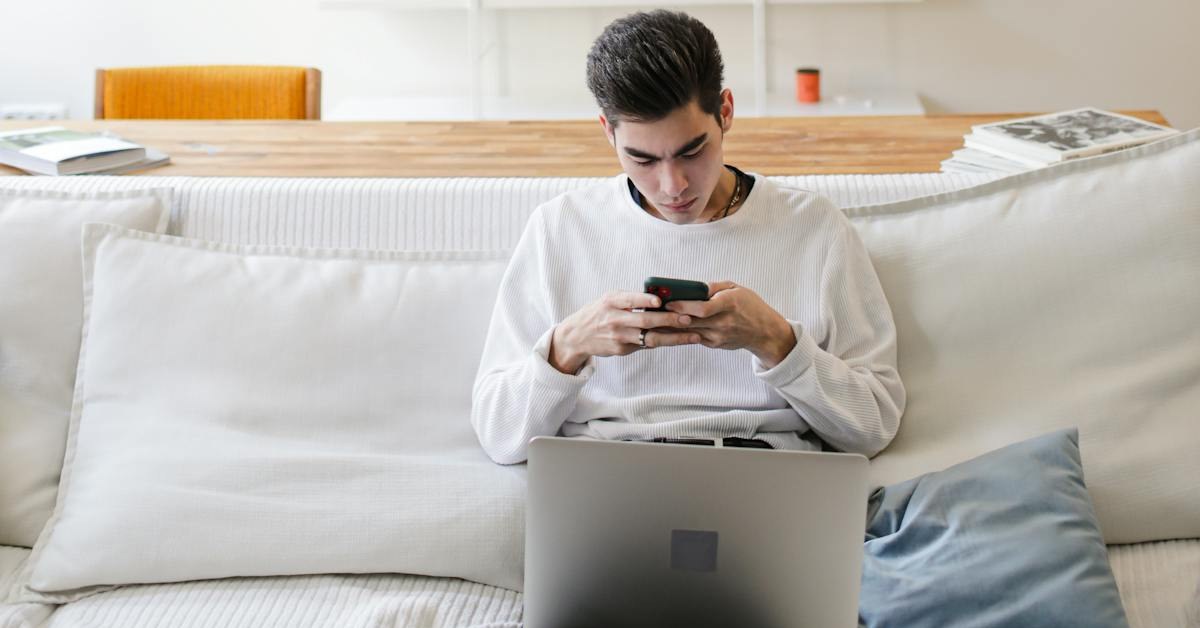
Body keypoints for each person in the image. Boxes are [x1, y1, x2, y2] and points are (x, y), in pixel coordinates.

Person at [470, 9, 905, 465]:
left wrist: (777, 342)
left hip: (764, 474)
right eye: (642, 159)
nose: (672, 185)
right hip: (611, 475)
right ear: (607, 133)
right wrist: (568, 346)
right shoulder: (559, 229)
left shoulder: (815, 228)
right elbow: (500, 437)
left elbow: (872, 427)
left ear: (727, 112)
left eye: (692, 151)